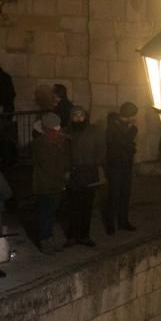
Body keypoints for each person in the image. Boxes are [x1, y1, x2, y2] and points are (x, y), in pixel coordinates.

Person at [64, 106, 104, 248]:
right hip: (73, 174)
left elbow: (101, 149)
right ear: (71, 117)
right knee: (72, 207)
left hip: (88, 173)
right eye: (75, 115)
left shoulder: (93, 131)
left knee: (86, 206)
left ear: (85, 116)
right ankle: (72, 236)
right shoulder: (66, 131)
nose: (78, 118)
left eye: (81, 115)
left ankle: (84, 236)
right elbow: (64, 152)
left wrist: (94, 163)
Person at [32, 112, 68, 254]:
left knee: (51, 214)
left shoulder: (57, 141)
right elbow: (48, 165)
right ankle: (44, 241)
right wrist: (63, 175)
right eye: (56, 126)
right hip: (46, 185)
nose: (59, 128)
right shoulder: (40, 143)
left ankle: (49, 240)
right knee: (45, 214)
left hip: (55, 184)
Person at [104, 102, 139, 234]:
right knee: (114, 194)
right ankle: (110, 224)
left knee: (125, 193)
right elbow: (121, 143)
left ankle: (123, 221)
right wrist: (133, 130)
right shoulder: (113, 127)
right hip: (115, 165)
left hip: (125, 164)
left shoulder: (124, 126)